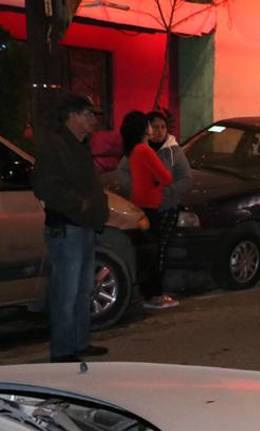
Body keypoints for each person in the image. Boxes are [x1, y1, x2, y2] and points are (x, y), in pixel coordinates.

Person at [31, 92, 109, 362]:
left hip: (83, 226)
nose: (92, 121)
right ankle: (63, 350)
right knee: (66, 291)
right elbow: (44, 186)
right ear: (72, 116)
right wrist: (80, 205)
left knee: (83, 289)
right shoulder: (55, 146)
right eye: (88, 115)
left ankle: (78, 342)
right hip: (67, 227)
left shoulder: (77, 145)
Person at [116, 109, 192, 308]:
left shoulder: (171, 150)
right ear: (145, 128)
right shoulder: (144, 150)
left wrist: (165, 191)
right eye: (153, 125)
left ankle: (148, 292)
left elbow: (184, 179)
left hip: (158, 206)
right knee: (152, 251)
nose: (157, 130)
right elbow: (164, 177)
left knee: (151, 251)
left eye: (162, 127)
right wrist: (155, 183)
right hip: (149, 206)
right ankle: (153, 295)